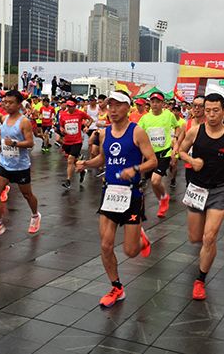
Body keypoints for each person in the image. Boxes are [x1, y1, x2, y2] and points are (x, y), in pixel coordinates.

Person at [75, 91, 157, 308]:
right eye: (110, 105)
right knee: (105, 245)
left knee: (131, 251)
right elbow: (103, 159)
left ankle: (141, 238)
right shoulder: (105, 133)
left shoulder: (137, 132)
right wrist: (86, 164)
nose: (112, 109)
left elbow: (153, 161)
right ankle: (116, 287)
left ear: (128, 108)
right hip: (110, 193)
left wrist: (135, 169)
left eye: (117, 105)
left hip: (131, 195)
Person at [179, 93, 224, 300]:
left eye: (216, 110)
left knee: (209, 237)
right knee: (195, 238)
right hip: (196, 189)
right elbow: (180, 151)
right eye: (207, 110)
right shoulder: (195, 131)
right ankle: (208, 248)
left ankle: (200, 280)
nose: (211, 114)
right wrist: (191, 160)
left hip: (219, 190)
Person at [0, 90, 41, 239]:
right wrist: (1, 145)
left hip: (20, 166)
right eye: (5, 102)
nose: (7, 105)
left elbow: (30, 143)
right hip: (4, 164)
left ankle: (35, 215)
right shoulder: (4, 118)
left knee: (27, 195)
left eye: (11, 103)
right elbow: (6, 139)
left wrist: (13, 144)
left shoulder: (24, 122)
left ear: (19, 104)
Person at [138, 92, 181, 218]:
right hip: (150, 155)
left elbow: (177, 127)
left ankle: (163, 198)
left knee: (155, 180)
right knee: (153, 183)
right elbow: (137, 133)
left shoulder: (169, 115)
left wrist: (175, 138)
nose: (155, 104)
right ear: (149, 103)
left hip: (164, 153)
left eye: (158, 102)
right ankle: (162, 199)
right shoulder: (145, 118)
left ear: (162, 103)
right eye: (153, 102)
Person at [60, 98, 92, 189]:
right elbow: (61, 126)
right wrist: (62, 130)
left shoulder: (80, 113)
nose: (70, 108)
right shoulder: (63, 114)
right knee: (74, 160)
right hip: (67, 141)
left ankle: (68, 181)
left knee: (70, 160)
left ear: (75, 106)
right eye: (68, 106)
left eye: (72, 106)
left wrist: (86, 126)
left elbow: (90, 119)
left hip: (77, 141)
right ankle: (82, 170)